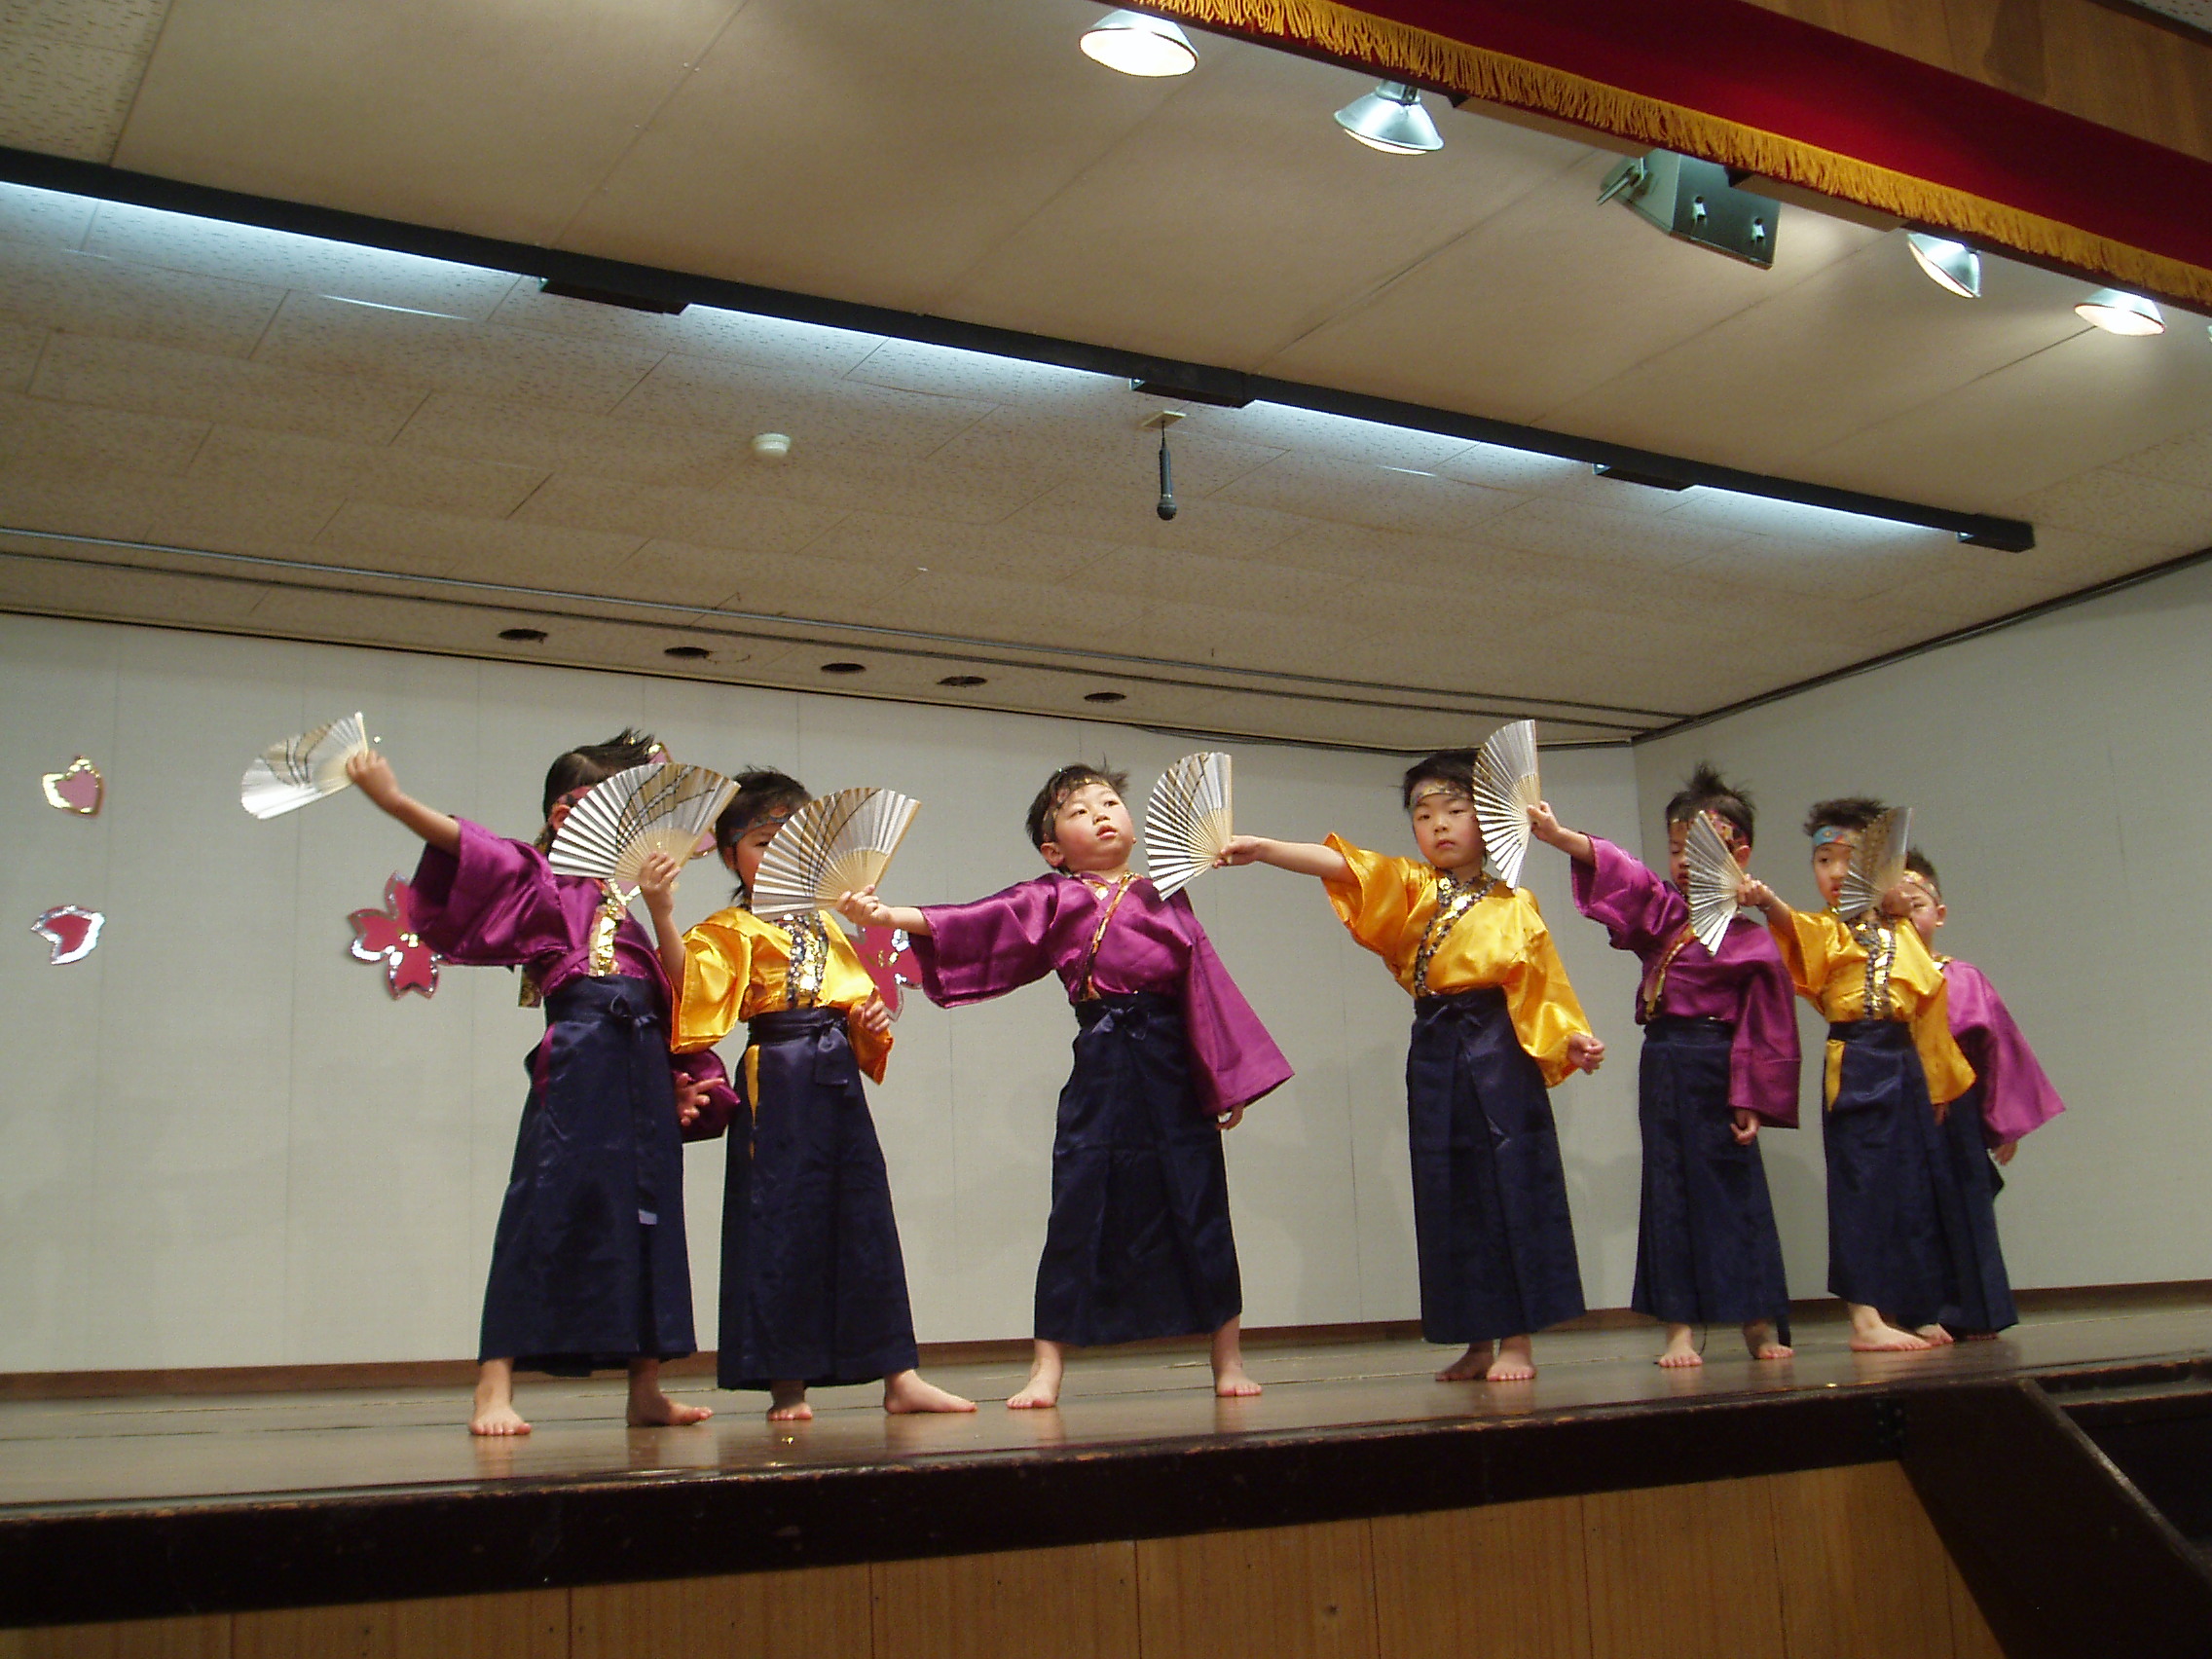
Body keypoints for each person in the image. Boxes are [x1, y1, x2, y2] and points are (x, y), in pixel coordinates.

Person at [838, 763, 1290, 1409]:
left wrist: (1224, 1079)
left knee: (1200, 1203)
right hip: (1103, 1058)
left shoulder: (1166, 893)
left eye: (1109, 803)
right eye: (1079, 811)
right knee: (1078, 1205)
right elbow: (977, 920)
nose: (1101, 814)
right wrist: (887, 914)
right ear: (1054, 851)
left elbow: (1202, 983)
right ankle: (1046, 1367)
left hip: (1172, 1067)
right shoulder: (1053, 897)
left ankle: (1228, 1359)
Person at [345, 734, 712, 1435]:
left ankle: (645, 1387)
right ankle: (493, 1385)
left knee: (651, 1220)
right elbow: (474, 849)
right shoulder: (545, 884)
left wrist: (664, 909)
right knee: (541, 1209)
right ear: (566, 813)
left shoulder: (634, 905)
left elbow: (683, 993)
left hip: (641, 1073)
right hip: (579, 1064)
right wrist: (395, 802)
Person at [1219, 748, 1603, 1383]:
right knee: (1447, 1188)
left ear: (1490, 818)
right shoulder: (1414, 886)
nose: (1439, 825)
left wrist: (1571, 1041)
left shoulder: (1516, 903)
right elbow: (1346, 866)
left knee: (1509, 1183)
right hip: (1435, 1045)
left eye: (1456, 810)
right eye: (1424, 816)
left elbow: (1542, 988)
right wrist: (1263, 848)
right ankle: (1476, 1339)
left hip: (1500, 1048)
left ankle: (1517, 1342)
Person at [658, 769, 974, 1422]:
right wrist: (662, 913)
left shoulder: (829, 925)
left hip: (836, 1077)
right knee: (779, 1221)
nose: (780, 854)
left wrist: (868, 1023)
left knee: (864, 1217)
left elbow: (858, 1010)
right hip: (777, 1074)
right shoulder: (730, 927)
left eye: (794, 842)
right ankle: (787, 1383)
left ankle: (899, 1375)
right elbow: (691, 991)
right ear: (730, 856)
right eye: (763, 842)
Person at [1530, 764, 1797, 1366]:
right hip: (1666, 1062)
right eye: (1676, 850)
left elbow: (1766, 1024)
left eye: (1699, 850)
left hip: (1722, 1066)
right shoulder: (1665, 916)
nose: (1683, 863)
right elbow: (1621, 872)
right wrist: (1561, 837)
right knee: (1669, 1190)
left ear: (1740, 855)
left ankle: (1758, 1322)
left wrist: (1750, 1095)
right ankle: (1678, 1327)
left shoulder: (1753, 940)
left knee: (1736, 1193)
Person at [1740, 798, 1973, 1353]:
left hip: (1904, 1061)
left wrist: (1937, 1082)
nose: (1836, 871)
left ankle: (1912, 1306)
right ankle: (1864, 1317)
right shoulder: (1827, 929)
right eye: (1824, 861)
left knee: (1910, 1185)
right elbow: (1794, 928)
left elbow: (1929, 1009)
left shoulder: (1901, 932)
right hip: (1857, 1059)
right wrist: (1767, 900)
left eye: (1849, 859)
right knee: (1860, 1187)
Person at [1899, 850, 2065, 1340]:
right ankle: (1914, 1312)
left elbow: (1998, 1052)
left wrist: (2003, 1124)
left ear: (1939, 913)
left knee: (1966, 1208)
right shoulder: (1881, 982)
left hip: (1958, 1115)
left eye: (1917, 905)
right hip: (1900, 1108)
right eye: (1896, 907)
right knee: (1910, 1210)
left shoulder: (1963, 978)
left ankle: (1978, 1312)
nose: (1907, 916)